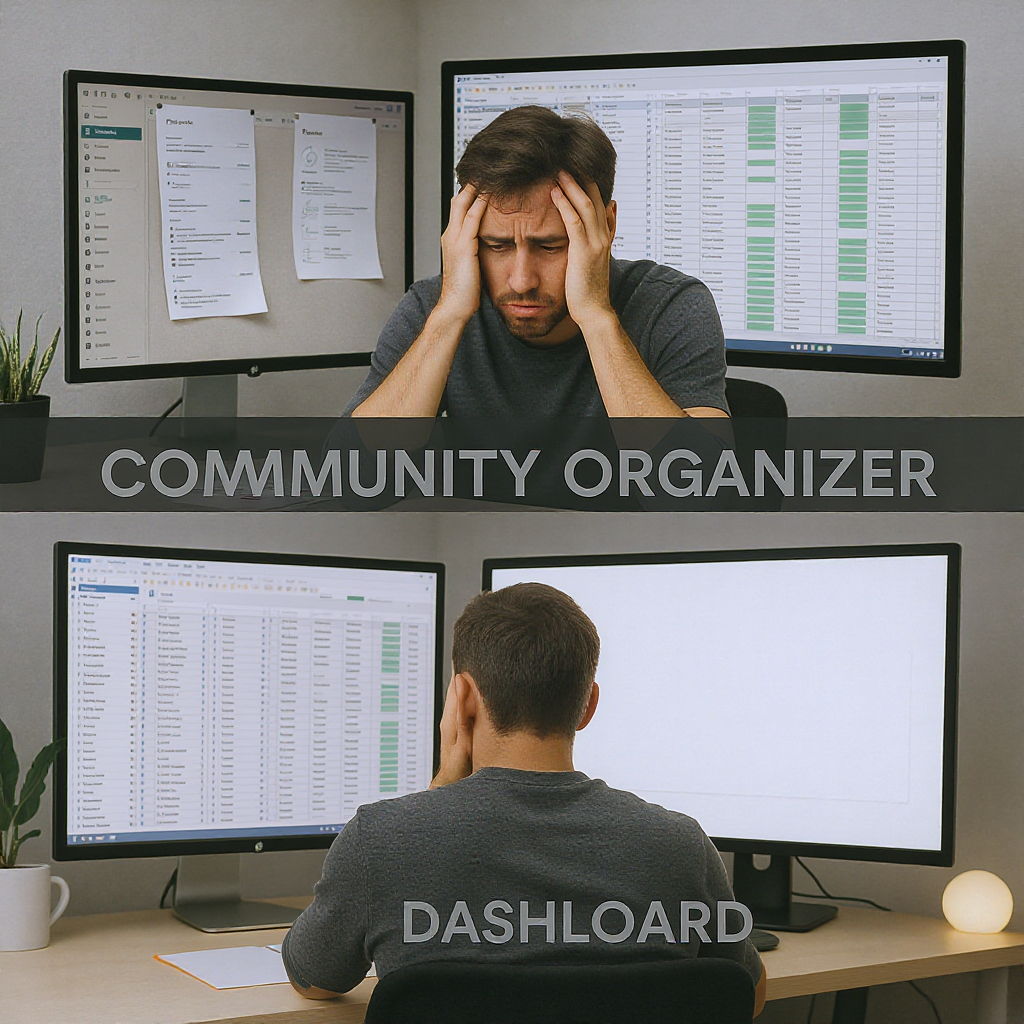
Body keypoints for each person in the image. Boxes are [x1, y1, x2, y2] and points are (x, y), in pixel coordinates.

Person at [282, 583, 766, 1016]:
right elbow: (748, 990)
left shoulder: (383, 841)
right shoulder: (678, 844)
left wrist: (438, 796)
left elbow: (315, 978)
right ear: (588, 705)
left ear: (463, 699)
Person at [344, 106, 730, 419]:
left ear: (606, 225)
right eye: (496, 245)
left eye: (549, 247)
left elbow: (698, 494)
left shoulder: (671, 305)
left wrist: (596, 317)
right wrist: (448, 318)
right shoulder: (435, 308)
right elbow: (350, 482)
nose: (521, 280)